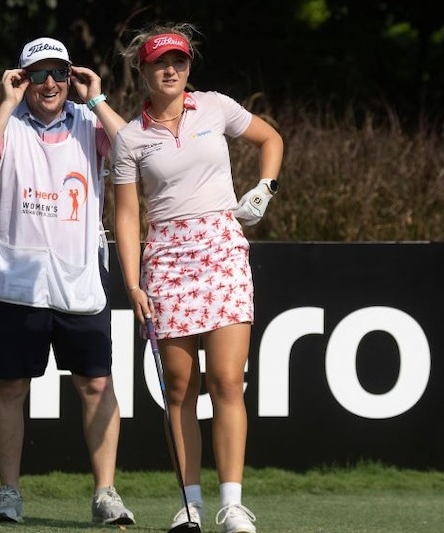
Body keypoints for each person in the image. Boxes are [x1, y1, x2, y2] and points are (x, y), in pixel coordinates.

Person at [112, 23, 283, 533]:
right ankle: (191, 507)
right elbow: (125, 215)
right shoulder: (130, 138)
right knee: (181, 388)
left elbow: (269, 137)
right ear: (142, 70)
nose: (170, 70)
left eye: (179, 62)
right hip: (166, 255)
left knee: (228, 380)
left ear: (189, 66)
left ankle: (233, 505)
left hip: (222, 247)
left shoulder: (215, 107)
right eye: (160, 62)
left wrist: (265, 188)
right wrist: (132, 282)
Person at [0, 36, 134, 526]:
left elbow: (138, 153)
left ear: (71, 76)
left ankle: (105, 495)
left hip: (78, 280)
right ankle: (8, 493)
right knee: (10, 387)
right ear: (22, 79)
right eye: (38, 74)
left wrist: (96, 97)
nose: (51, 83)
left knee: (97, 385)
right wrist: (6, 102)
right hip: (18, 281)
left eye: (59, 73)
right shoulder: (5, 122)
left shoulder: (88, 122)